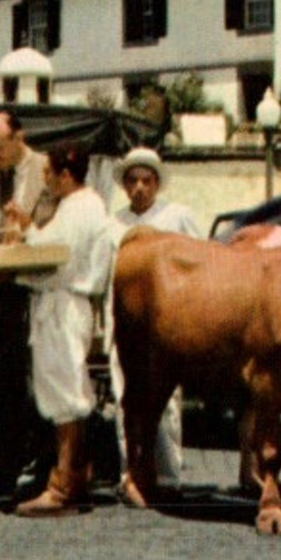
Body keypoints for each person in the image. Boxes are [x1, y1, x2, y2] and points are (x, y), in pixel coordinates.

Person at [11, 143, 114, 517]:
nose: (47, 182)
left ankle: (63, 485)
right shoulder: (80, 206)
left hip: (64, 302)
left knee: (66, 392)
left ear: (65, 175)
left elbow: (54, 252)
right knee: (63, 390)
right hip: (62, 302)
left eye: (49, 175)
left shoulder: (80, 206)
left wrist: (25, 233)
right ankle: (75, 476)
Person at [0, 110, 56, 498]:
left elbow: (55, 227)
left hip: (33, 289)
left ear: (20, 137)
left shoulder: (47, 169)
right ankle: (1, 463)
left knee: (34, 384)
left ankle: (37, 466)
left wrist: (29, 230)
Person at [107, 147, 200, 498]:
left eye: (146, 180)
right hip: (124, 323)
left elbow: (197, 262)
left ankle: (169, 474)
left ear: (157, 183)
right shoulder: (113, 224)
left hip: (166, 324)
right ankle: (130, 473)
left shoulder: (177, 217)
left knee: (166, 401)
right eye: (133, 181)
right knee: (125, 398)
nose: (140, 188)